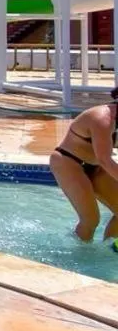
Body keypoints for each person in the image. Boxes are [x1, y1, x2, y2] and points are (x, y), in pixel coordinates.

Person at [49, 87, 118, 241]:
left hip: (96, 166)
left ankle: (109, 249)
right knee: (91, 219)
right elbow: (105, 159)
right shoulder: (102, 118)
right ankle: (81, 256)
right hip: (68, 162)